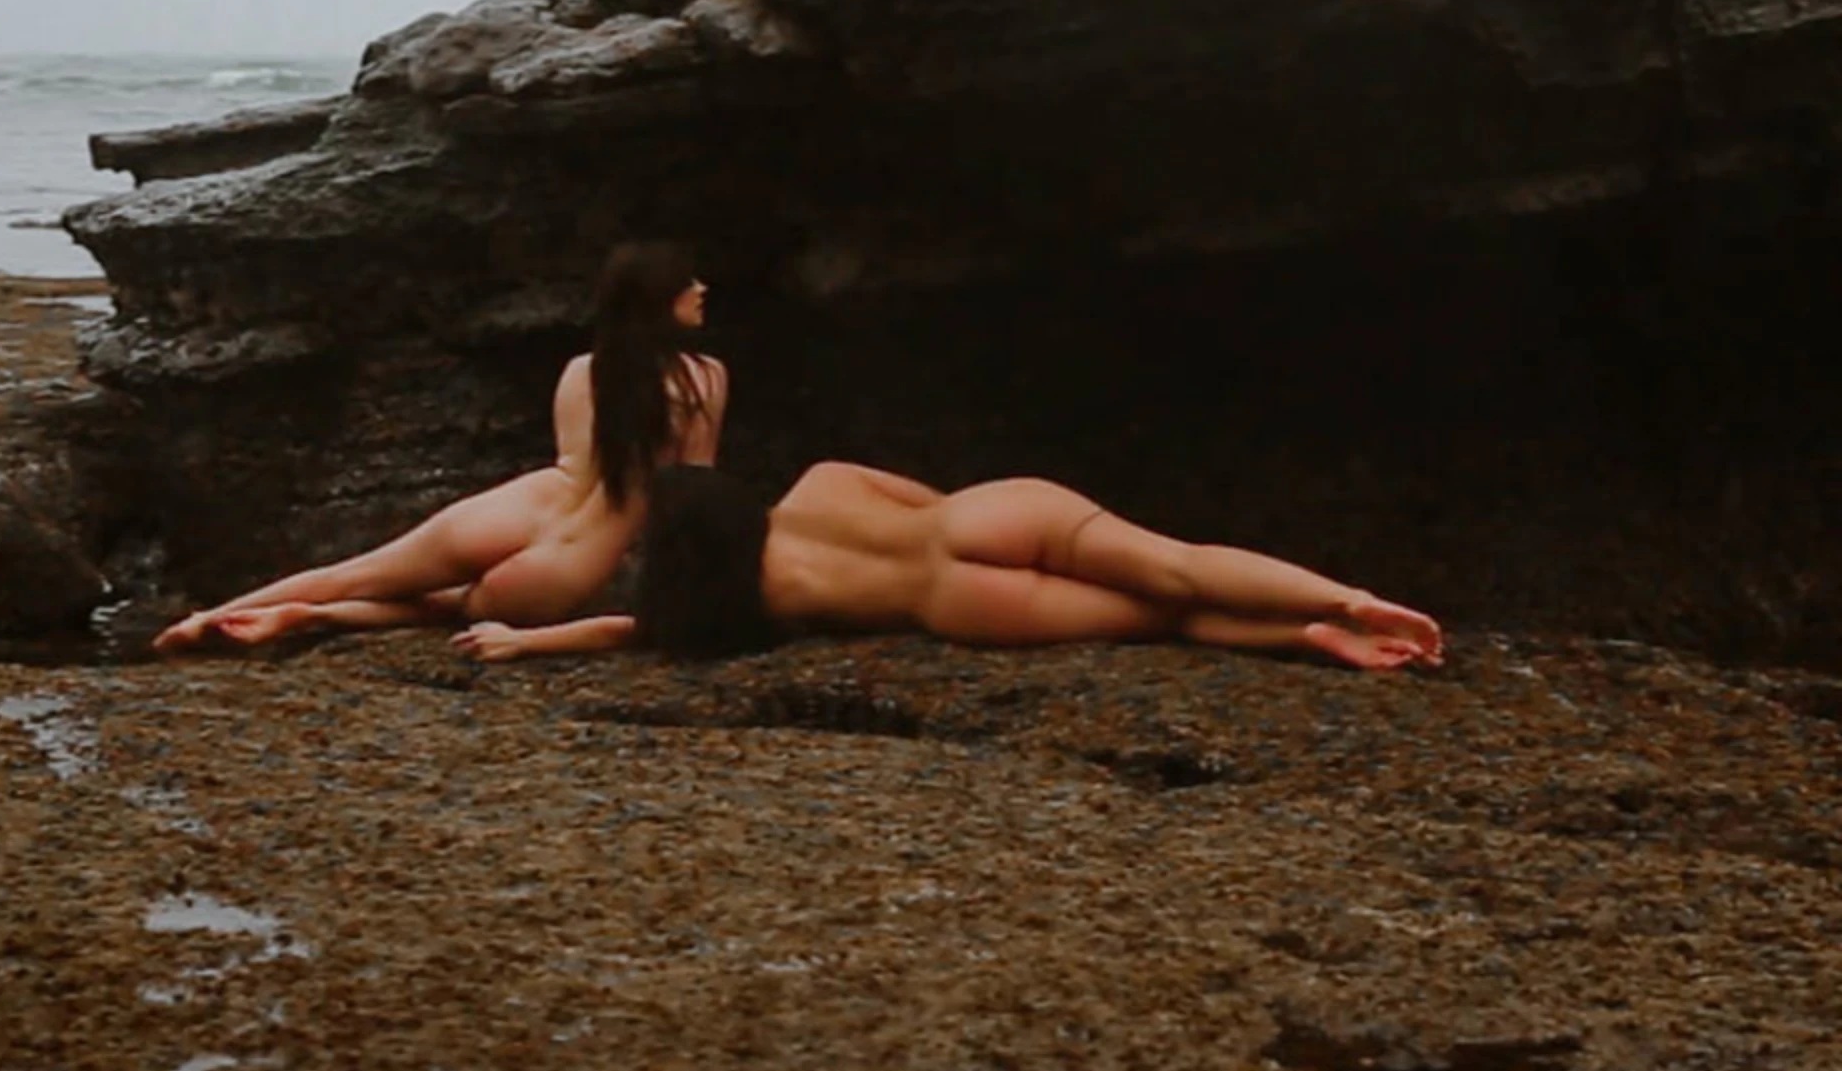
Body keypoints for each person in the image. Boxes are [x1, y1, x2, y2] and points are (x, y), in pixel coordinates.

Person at [153, 242, 727, 651]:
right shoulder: (704, 378)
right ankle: (305, 617)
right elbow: (690, 497)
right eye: (689, 282)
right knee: (438, 609)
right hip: (565, 561)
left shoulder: (583, 369)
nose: (702, 289)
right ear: (661, 298)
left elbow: (575, 459)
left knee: (354, 571)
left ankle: (210, 617)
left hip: (520, 507)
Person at [449, 462, 1444, 670]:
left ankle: (1316, 640)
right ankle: (1347, 599)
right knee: (1176, 566)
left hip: (956, 597)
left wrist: (526, 641)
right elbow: (923, 498)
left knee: (1169, 622)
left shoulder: (744, 595)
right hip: (981, 519)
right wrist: (967, 522)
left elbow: (633, 630)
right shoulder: (821, 480)